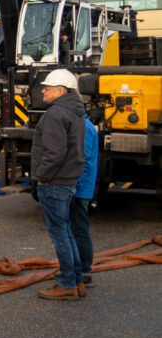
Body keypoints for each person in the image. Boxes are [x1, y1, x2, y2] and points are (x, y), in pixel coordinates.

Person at [30, 69, 86, 300]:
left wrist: (40, 176)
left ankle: (66, 283)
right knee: (67, 231)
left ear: (61, 91)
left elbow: (54, 154)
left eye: (48, 87)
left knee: (60, 234)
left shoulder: (55, 114)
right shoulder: (75, 113)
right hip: (69, 180)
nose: (43, 90)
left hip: (54, 182)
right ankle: (76, 280)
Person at [70, 111, 99, 293]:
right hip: (82, 186)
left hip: (81, 188)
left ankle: (84, 270)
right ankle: (80, 268)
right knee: (77, 228)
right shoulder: (85, 126)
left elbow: (84, 160)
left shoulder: (84, 128)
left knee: (79, 229)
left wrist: (73, 185)